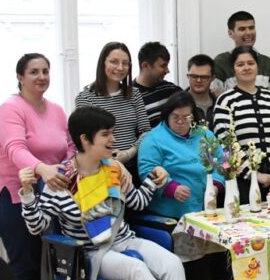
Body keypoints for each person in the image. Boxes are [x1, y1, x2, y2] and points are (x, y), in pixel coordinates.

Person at [19, 106, 201, 280]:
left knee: (172, 263)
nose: (113, 139)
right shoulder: (60, 180)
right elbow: (37, 227)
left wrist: (153, 179)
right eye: (106, 134)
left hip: (124, 239)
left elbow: (137, 202)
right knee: (135, 268)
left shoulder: (113, 170)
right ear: (85, 139)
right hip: (92, 252)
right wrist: (28, 193)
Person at [0, 53, 75, 280]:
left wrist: (67, 166)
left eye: (45, 71)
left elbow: (69, 146)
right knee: (25, 267)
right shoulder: (9, 109)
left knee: (49, 265)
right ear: (20, 77)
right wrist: (42, 169)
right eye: (34, 72)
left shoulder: (56, 110)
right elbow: (15, 149)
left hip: (52, 195)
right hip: (16, 197)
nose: (41, 77)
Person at [213, 47, 270, 202]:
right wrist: (254, 174)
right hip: (244, 183)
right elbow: (226, 145)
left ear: (258, 67)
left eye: (250, 63)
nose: (246, 67)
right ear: (233, 69)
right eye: (240, 64)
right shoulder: (225, 101)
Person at [138, 91, 225, 220]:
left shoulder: (205, 134)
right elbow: (147, 170)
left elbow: (221, 162)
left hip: (206, 208)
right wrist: (171, 188)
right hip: (170, 214)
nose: (180, 122)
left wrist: (216, 185)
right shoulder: (153, 138)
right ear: (167, 115)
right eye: (175, 117)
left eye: (186, 117)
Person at [76, 42, 151, 182]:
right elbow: (85, 140)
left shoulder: (134, 94)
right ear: (102, 63)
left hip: (132, 167)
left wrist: (129, 153)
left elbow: (146, 131)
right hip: (99, 171)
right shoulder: (85, 98)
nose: (120, 68)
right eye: (114, 62)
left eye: (125, 63)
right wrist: (109, 160)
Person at [212, 11, 270, 92]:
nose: (248, 33)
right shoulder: (221, 61)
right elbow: (216, 94)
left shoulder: (266, 62)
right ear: (230, 33)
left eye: (251, 28)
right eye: (242, 29)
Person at [132, 42, 181, 127]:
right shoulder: (130, 96)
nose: (167, 71)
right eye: (163, 66)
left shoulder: (171, 89)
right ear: (145, 66)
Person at [185, 54, 218, 125]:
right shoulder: (177, 104)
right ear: (188, 76)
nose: (199, 80)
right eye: (194, 76)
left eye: (204, 77)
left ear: (212, 78)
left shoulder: (221, 104)